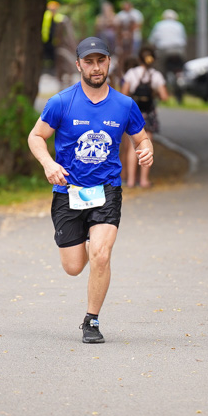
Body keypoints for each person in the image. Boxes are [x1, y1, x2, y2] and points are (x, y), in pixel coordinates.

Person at [27, 36, 152, 344]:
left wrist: (146, 150)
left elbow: (142, 138)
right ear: (78, 64)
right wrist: (48, 164)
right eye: (89, 62)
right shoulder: (61, 102)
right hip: (68, 192)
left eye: (101, 61)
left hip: (106, 190)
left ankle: (91, 321)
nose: (96, 68)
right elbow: (36, 137)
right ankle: (83, 232)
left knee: (101, 253)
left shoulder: (125, 105)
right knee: (73, 267)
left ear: (109, 62)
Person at [120, 46, 168, 188]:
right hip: (149, 114)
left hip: (134, 113)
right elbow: (164, 96)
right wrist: (155, 93)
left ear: (139, 58)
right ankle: (144, 180)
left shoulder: (131, 73)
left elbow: (123, 95)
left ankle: (129, 180)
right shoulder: (156, 75)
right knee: (146, 146)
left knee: (131, 148)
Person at [148, 9, 187, 104]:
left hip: (164, 50)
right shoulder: (179, 25)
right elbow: (184, 40)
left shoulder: (159, 25)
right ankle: (180, 80)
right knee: (179, 70)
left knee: (161, 72)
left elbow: (152, 40)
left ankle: (162, 95)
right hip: (178, 50)